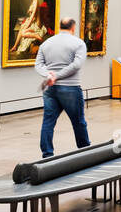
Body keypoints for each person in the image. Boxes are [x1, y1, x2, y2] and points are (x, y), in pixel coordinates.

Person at [34, 17, 91, 157]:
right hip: (70, 88)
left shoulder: (46, 43)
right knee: (78, 122)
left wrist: (49, 75)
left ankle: (47, 154)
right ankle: (85, 152)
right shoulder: (78, 43)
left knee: (48, 122)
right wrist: (57, 76)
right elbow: (76, 65)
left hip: (50, 89)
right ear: (73, 27)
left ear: (60, 26)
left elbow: (38, 65)